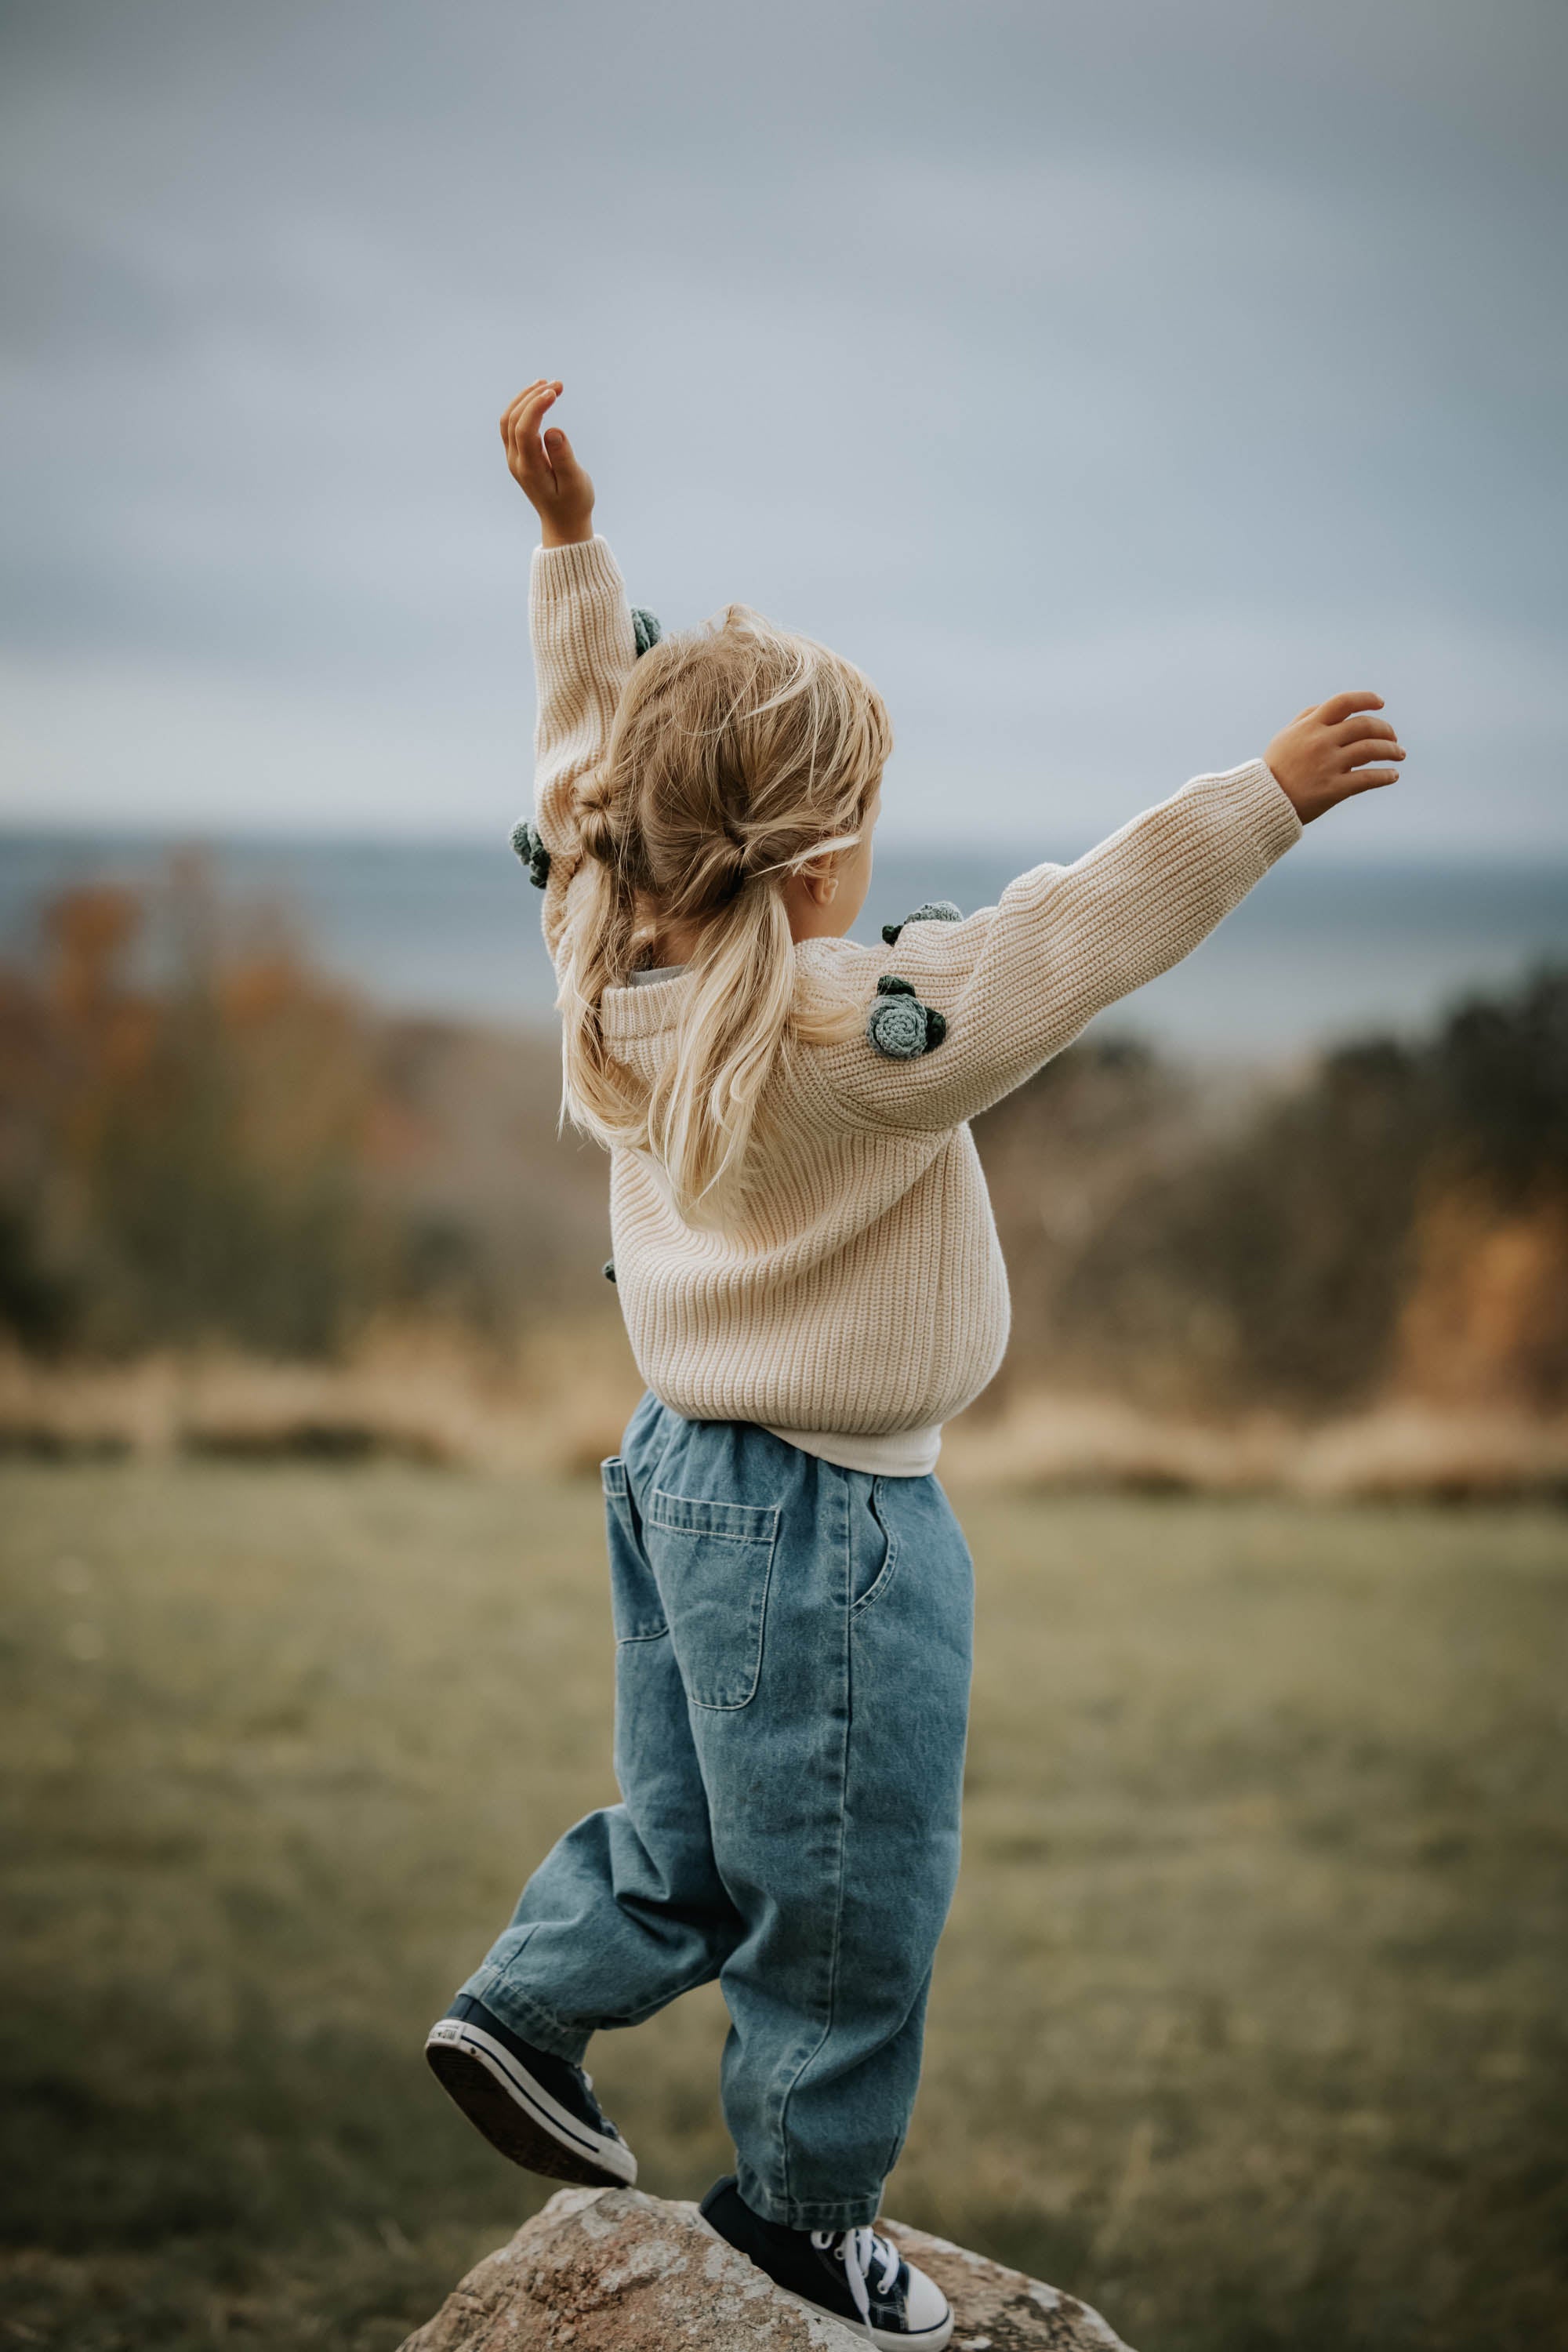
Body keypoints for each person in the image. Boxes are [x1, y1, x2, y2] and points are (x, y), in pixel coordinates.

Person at [424, 378, 1406, 2348]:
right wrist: (1267, 795)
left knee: (694, 1834)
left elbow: (581, 768)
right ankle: (804, 2222)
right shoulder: (854, 1034)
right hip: (836, 1528)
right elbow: (1075, 936)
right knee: (849, 1887)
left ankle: (529, 2004)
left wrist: (568, 554)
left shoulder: (606, 965)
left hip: (673, 1473)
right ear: (814, 864)